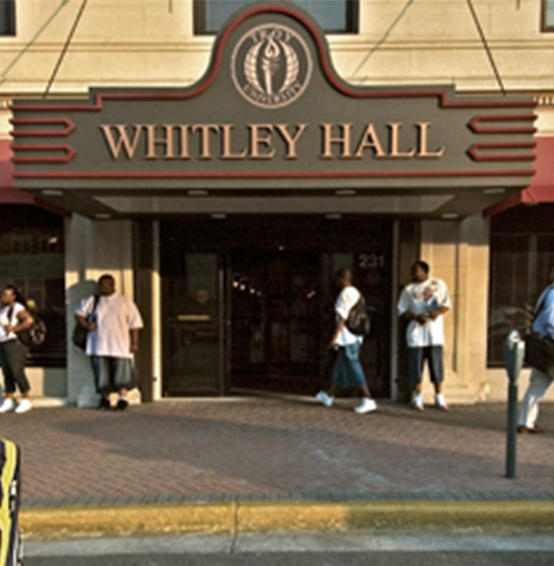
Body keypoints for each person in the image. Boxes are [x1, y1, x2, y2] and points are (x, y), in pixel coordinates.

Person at [75, 274, 143, 410]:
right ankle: (104, 399)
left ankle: (122, 398)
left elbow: (135, 324)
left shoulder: (125, 302)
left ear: (112, 285)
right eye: (99, 285)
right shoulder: (93, 300)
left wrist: (134, 343)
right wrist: (87, 325)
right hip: (98, 344)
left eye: (103, 285)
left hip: (120, 344)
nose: (100, 288)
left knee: (121, 374)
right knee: (101, 374)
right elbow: (79, 314)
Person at [316, 268, 377, 414]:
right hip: (356, 335)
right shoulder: (357, 293)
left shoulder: (345, 294)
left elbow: (342, 317)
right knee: (341, 365)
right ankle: (329, 394)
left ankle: (367, 397)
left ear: (341, 279)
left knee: (352, 363)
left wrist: (335, 337)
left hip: (347, 336)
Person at [397, 261, 451, 411]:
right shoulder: (408, 290)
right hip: (416, 333)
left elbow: (446, 304)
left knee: (436, 365)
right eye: (412, 271)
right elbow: (402, 310)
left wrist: (437, 312)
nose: (413, 274)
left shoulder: (438, 284)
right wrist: (415, 317)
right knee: (415, 366)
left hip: (434, 333)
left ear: (425, 272)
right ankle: (417, 395)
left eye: (416, 271)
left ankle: (439, 395)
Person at [517, 267, 554, 434]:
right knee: (537, 385)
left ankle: (525, 422)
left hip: (543, 347)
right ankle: (525, 422)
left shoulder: (548, 291)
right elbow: (551, 321)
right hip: (550, 346)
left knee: (537, 386)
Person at [0, 285, 34, 413]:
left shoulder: (17, 307)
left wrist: (14, 329)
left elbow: (28, 320)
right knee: (6, 371)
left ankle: (25, 398)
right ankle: (9, 398)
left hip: (14, 342)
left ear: (14, 296)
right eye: (3, 294)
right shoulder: (3, 309)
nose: (4, 297)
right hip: (2, 342)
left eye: (8, 295)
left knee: (16, 370)